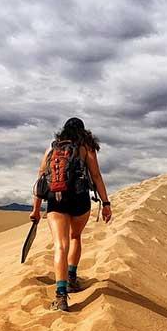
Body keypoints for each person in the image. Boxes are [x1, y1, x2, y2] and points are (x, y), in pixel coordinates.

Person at [30, 117, 111, 312]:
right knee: (75, 237)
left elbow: (41, 178)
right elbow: (97, 176)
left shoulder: (53, 148)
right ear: (84, 132)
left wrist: (36, 209)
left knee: (60, 245)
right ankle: (72, 278)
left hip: (55, 200)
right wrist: (106, 203)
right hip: (79, 199)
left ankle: (60, 296)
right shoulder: (86, 147)